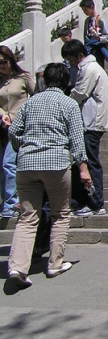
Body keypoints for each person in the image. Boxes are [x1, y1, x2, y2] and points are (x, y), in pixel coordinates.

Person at [6, 63, 91, 291]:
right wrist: (83, 169)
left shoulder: (30, 102)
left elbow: (14, 131)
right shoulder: (69, 104)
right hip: (56, 164)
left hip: (27, 164)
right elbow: (77, 139)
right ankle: (55, 263)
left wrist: (23, 146)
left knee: (27, 217)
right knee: (60, 214)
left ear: (44, 81)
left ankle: (17, 267)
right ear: (66, 82)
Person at [60, 40, 108, 218]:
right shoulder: (91, 68)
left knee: (89, 162)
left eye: (71, 59)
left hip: (92, 121)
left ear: (79, 55)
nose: (71, 64)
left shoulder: (89, 69)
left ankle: (95, 203)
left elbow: (80, 93)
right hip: (91, 121)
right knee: (85, 161)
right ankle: (84, 202)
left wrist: (67, 96)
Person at [0, 47, 35, 218]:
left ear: (10, 60)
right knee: (3, 166)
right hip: (2, 127)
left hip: (19, 128)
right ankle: (6, 202)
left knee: (8, 163)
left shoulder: (23, 78)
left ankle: (11, 203)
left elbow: (36, 97)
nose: (1, 66)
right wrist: (2, 114)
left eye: (3, 62)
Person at [80, 0, 108, 69]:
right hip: (89, 50)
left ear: (92, 7)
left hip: (98, 49)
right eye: (83, 11)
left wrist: (99, 38)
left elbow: (107, 37)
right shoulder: (87, 21)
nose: (85, 12)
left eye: (86, 10)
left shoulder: (100, 20)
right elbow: (85, 36)